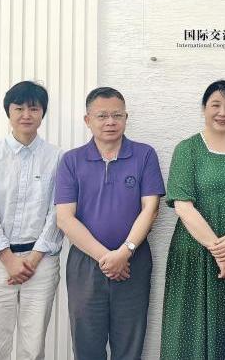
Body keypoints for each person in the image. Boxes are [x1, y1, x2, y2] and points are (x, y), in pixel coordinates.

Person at [55, 87, 165, 360]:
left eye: (117, 115)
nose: (110, 122)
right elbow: (65, 218)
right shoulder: (71, 160)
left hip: (133, 262)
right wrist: (108, 258)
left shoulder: (144, 155)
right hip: (85, 264)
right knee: (86, 345)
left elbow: (151, 209)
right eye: (102, 116)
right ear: (87, 120)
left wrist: (124, 252)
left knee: (129, 345)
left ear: (126, 117)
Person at [160, 80, 225, 360]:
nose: (222, 112)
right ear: (204, 108)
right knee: (189, 332)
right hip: (193, 252)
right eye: (215, 104)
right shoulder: (187, 149)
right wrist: (220, 252)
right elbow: (183, 206)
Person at [0, 80, 63, 360]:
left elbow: (58, 212)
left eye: (33, 108)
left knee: (33, 349)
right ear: (8, 112)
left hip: (41, 262)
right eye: (19, 108)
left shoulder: (58, 158)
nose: (26, 115)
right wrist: (8, 259)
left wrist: (33, 259)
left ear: (43, 112)